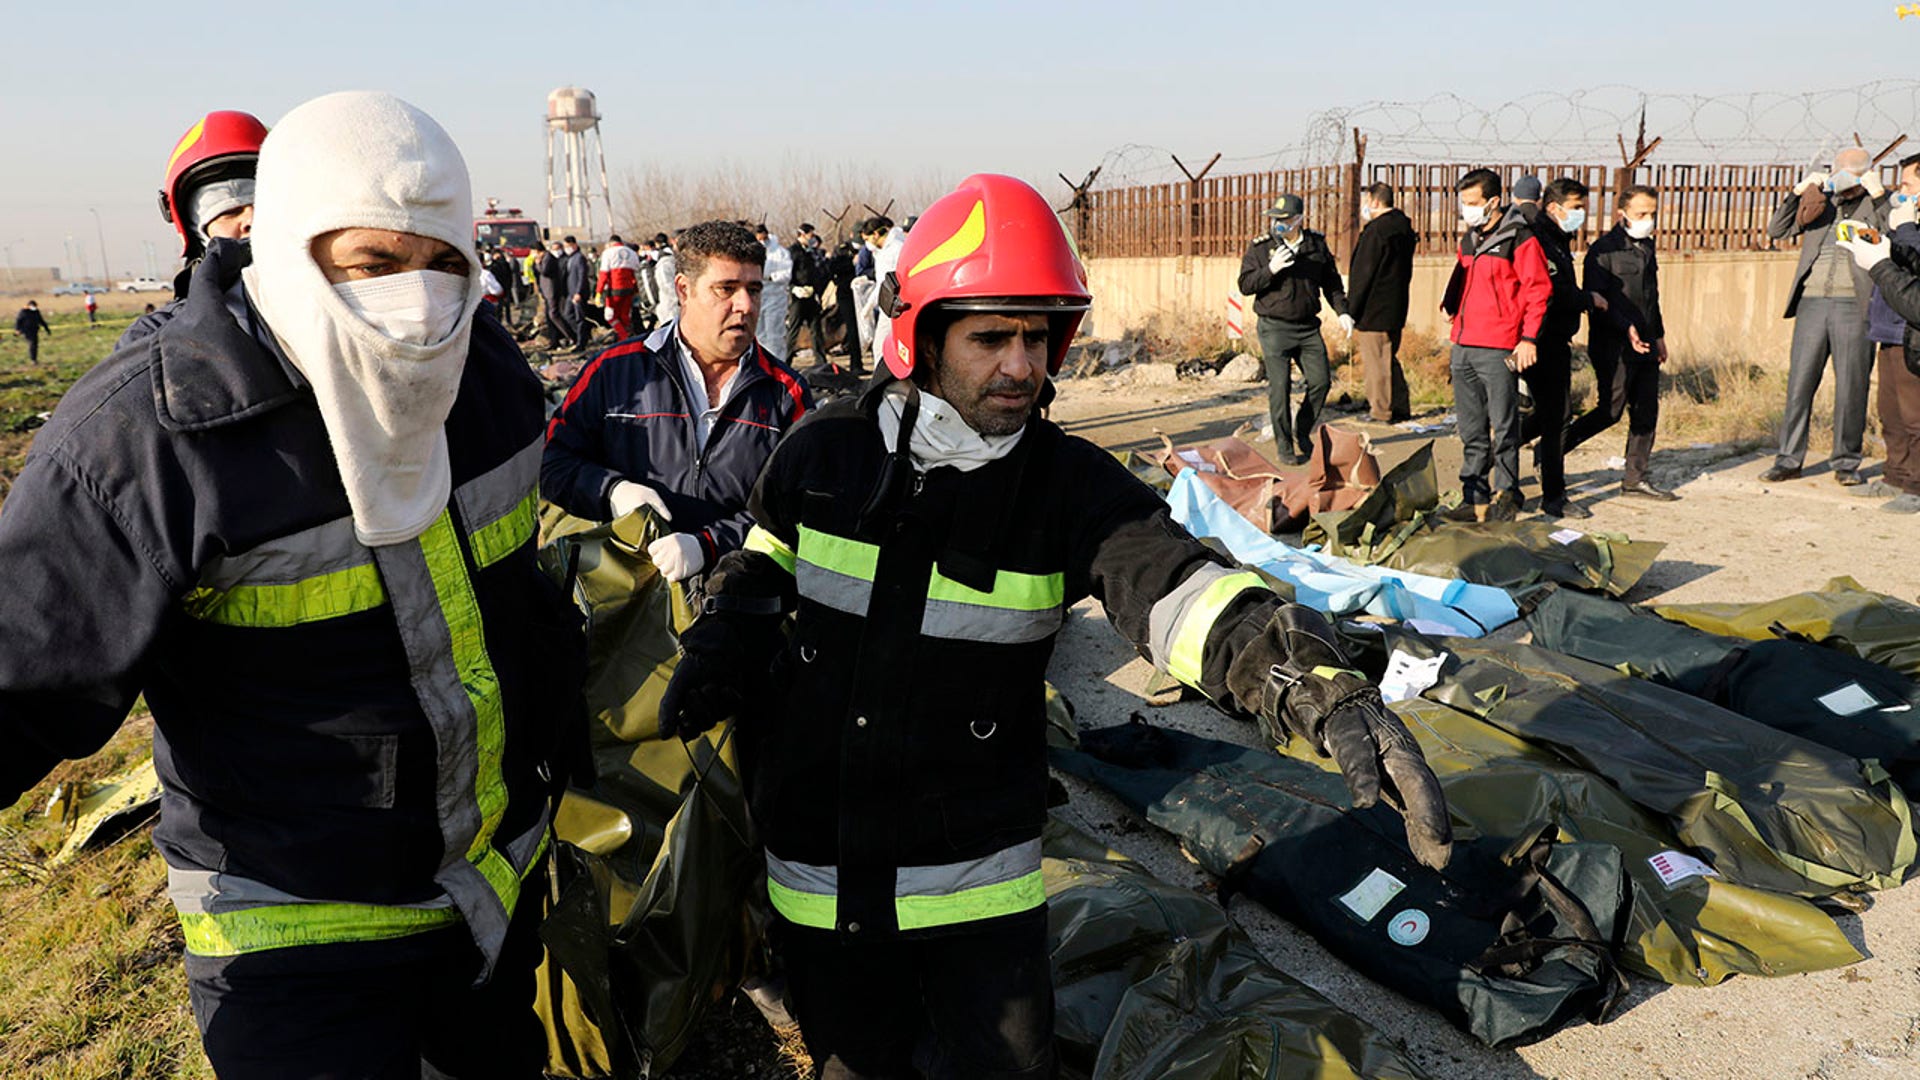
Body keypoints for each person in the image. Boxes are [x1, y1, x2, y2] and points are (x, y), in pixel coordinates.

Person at [656, 174, 1451, 1079]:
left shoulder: (1070, 488)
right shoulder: (821, 453)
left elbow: (1180, 590)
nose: (1022, 365)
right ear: (919, 334)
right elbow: (765, 558)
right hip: (818, 880)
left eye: (1037, 336)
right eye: (992, 335)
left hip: (978, 894)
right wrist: (729, 626)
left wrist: (1305, 681)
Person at [0, 90, 584, 1079]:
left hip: (484, 901)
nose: (418, 301)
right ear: (288, 247)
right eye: (372, 265)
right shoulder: (148, 441)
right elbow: (22, 683)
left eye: (443, 262)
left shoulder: (484, 372)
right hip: (294, 936)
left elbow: (513, 598)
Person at [542, 220, 813, 582]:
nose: (745, 305)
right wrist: (611, 490)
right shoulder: (614, 373)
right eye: (726, 289)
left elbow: (796, 509)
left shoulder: (786, 393)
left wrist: (709, 545)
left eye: (754, 289)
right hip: (631, 607)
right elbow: (552, 464)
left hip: (740, 609)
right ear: (683, 290)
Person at [1761, 147, 1891, 485]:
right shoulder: (1820, 203)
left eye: (1851, 174)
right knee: (1800, 384)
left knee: (1852, 385)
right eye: (1839, 172)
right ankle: (1788, 459)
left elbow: (1894, 234)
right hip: (1812, 302)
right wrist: (1797, 192)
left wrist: (1878, 195)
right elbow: (1777, 230)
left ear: (1865, 175)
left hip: (1855, 304)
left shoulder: (1877, 203)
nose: (1843, 181)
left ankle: (1845, 463)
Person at [1441, 168, 1551, 522]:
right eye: (1463, 203)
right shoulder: (1469, 239)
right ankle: (1473, 496)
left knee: (1503, 426)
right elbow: (1464, 278)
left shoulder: (1519, 238)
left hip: (1499, 345)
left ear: (1493, 201)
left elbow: (1538, 290)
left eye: (1473, 203)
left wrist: (1529, 338)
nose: (1467, 210)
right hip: (1463, 344)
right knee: (1471, 429)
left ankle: (1508, 492)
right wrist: (1452, 307)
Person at [121, 110, 270, 350]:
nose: (251, 220)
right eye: (229, 212)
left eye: (264, 206)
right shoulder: (155, 340)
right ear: (193, 230)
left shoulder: (328, 309)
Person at [1566, 184, 1678, 502]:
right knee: (1610, 410)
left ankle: (1634, 479)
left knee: (1646, 412)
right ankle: (1553, 450)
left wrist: (1658, 335)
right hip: (1613, 346)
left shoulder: (1648, 248)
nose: (1647, 219)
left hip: (1646, 343)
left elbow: (1651, 298)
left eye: (1652, 214)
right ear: (1623, 214)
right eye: (1641, 213)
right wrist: (1625, 326)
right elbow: (1599, 304)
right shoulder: (1603, 252)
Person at [1235, 194, 1351, 464]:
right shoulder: (1261, 248)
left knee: (1321, 381)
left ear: (1299, 219)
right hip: (1274, 327)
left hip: (1308, 327)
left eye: (1285, 219)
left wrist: (1343, 311)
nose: (1278, 224)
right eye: (1275, 218)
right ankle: (1285, 446)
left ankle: (1302, 430)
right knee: (1280, 387)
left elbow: (1331, 284)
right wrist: (1270, 270)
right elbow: (1245, 284)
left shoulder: (1316, 245)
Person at [1838, 172, 1920, 514]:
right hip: (1888, 330)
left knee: (1915, 416)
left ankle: (1915, 486)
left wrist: (1904, 231)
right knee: (1891, 412)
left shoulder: (1910, 227)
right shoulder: (1907, 226)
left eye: (1908, 186)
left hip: (1911, 334)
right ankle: (1895, 475)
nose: (1900, 191)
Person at [1518, 177, 1592, 519]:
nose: (1581, 214)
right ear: (1553, 207)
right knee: (1557, 417)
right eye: (1576, 208)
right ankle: (1554, 496)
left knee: (1548, 416)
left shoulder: (1557, 237)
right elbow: (1553, 290)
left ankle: (1492, 458)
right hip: (1540, 339)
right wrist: (1589, 299)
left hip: (1550, 337)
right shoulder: (1542, 238)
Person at [1346, 182, 1415, 423]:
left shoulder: (1376, 231)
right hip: (1396, 304)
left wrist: (1350, 309)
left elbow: (1363, 273)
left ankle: (1381, 411)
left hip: (1374, 308)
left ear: (1375, 201)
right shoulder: (1403, 228)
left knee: (1376, 362)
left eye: (1367, 200)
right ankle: (1399, 405)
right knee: (1388, 358)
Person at [785, 223, 830, 362]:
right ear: (802, 235)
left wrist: (816, 291)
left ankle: (821, 362)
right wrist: (793, 288)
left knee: (816, 330)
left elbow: (815, 273)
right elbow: (787, 274)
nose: (813, 238)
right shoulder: (793, 252)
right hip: (798, 297)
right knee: (794, 330)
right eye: (810, 235)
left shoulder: (810, 252)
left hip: (811, 296)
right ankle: (785, 361)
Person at [825, 236, 866, 375]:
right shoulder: (843, 252)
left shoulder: (862, 251)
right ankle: (855, 365)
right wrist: (851, 263)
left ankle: (857, 363)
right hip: (845, 295)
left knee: (859, 330)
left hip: (859, 295)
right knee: (852, 329)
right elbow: (832, 269)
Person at [755, 224, 794, 362]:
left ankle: (777, 364)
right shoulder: (754, 250)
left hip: (775, 297)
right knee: (759, 334)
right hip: (758, 295)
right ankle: (762, 364)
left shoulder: (780, 252)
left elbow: (786, 274)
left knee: (774, 335)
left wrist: (771, 277)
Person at [867, 215, 906, 352]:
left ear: (876, 234)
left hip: (893, 302)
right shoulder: (883, 252)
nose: (868, 243)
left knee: (881, 346)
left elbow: (885, 282)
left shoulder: (894, 249)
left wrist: (869, 305)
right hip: (891, 302)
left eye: (867, 239)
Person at [596, 233, 643, 340]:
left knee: (610, 316)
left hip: (614, 289)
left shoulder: (608, 253)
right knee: (624, 316)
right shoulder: (632, 253)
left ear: (611, 243)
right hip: (629, 289)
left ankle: (623, 336)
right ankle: (625, 338)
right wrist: (637, 291)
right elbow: (636, 274)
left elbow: (603, 274)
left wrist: (598, 292)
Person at [561, 235, 592, 350]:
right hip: (570, 292)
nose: (566, 249)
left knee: (579, 317)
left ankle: (581, 342)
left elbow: (582, 276)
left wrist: (578, 292)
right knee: (568, 315)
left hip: (578, 293)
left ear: (574, 245)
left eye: (567, 246)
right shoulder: (570, 258)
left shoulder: (579, 258)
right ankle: (583, 335)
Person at [653, 232, 680, 327]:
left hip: (672, 308)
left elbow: (668, 287)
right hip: (672, 306)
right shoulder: (669, 261)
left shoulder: (664, 265)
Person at [485, 246, 518, 324]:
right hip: (500, 289)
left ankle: (507, 322)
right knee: (502, 308)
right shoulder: (497, 265)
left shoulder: (500, 264)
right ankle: (505, 322)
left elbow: (509, 276)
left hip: (502, 289)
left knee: (504, 308)